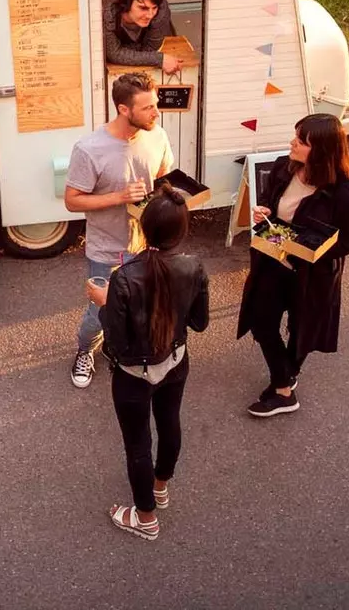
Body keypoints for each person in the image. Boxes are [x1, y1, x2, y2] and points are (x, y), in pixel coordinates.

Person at [97, 185, 210, 541]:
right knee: (170, 423)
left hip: (134, 374)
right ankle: (160, 488)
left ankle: (145, 518)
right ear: (182, 230)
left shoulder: (124, 277)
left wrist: (104, 301)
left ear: (143, 229)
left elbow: (115, 340)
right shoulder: (193, 267)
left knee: (137, 444)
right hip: (175, 362)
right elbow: (199, 322)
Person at [235, 113, 349, 418]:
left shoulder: (343, 192)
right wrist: (263, 211)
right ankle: (285, 380)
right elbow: (270, 200)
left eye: (301, 141)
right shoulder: (283, 166)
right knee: (262, 322)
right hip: (273, 262)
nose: (293, 143)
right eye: (296, 136)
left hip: (312, 275)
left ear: (321, 150)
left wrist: (307, 248)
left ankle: (283, 387)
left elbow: (347, 243)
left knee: (302, 329)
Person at [63, 71, 173, 389]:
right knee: (100, 310)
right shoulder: (89, 149)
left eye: (155, 105)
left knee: (143, 304)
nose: (156, 113)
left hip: (149, 246)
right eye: (148, 108)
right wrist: (119, 197)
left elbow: (164, 177)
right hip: (106, 247)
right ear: (124, 109)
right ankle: (85, 351)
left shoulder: (157, 136)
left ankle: (126, 348)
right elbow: (72, 201)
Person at [104, 0, 182, 76]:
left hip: (159, 49)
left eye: (154, 8)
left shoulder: (161, 11)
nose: (150, 15)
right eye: (143, 8)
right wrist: (159, 59)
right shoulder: (107, 13)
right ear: (126, 3)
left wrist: (129, 54)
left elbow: (151, 50)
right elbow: (114, 54)